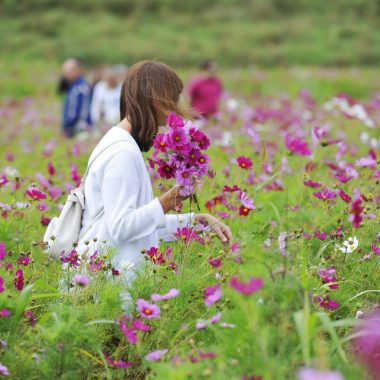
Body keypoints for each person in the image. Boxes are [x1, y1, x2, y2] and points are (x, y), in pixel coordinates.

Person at [77, 60, 232, 279]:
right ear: (156, 98)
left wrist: (198, 221)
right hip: (101, 285)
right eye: (173, 99)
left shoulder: (119, 142)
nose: (171, 115)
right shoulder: (122, 152)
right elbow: (122, 228)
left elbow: (141, 225)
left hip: (105, 276)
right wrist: (170, 199)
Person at [61, 58, 92, 137]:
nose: (66, 75)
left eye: (68, 72)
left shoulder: (81, 87)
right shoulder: (72, 86)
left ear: (76, 71)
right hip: (71, 128)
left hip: (78, 129)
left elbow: (83, 111)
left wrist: (69, 125)